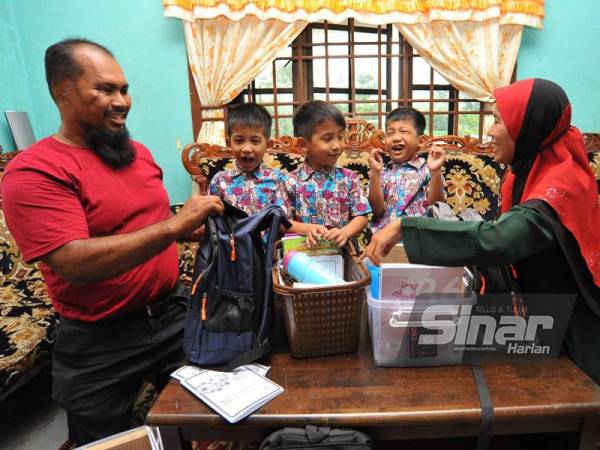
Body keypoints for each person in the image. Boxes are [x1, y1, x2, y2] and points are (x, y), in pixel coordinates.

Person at [0, 38, 224, 445]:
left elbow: (145, 225)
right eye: (104, 89)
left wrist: (188, 227)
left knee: (208, 417)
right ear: (62, 91)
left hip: (171, 313)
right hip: (97, 338)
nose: (122, 101)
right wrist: (174, 228)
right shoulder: (33, 172)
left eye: (124, 89)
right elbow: (74, 262)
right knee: (105, 441)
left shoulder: (137, 154)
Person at [361, 78, 600, 384]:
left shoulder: (561, 184)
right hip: (531, 316)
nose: (489, 130)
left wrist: (405, 228)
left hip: (570, 335)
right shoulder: (528, 169)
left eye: (498, 120)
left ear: (526, 126)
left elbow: (500, 239)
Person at [286, 100, 371, 247]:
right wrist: (307, 229)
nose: (337, 145)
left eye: (340, 137)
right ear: (303, 144)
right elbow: (282, 221)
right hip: (303, 256)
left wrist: (345, 232)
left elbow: (362, 216)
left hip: (343, 254)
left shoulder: (349, 177)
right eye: (327, 138)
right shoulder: (290, 180)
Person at [368, 107, 446, 232]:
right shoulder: (381, 171)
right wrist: (375, 174)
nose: (396, 138)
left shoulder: (428, 170)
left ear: (421, 141)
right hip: (383, 240)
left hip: (419, 238)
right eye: (390, 133)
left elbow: (436, 207)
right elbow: (377, 210)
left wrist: (435, 173)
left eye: (404, 132)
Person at [209, 103, 291, 216]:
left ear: (268, 144)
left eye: (255, 141)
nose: (247, 149)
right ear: (229, 143)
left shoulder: (277, 179)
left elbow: (284, 220)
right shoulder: (219, 180)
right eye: (239, 141)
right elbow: (212, 220)